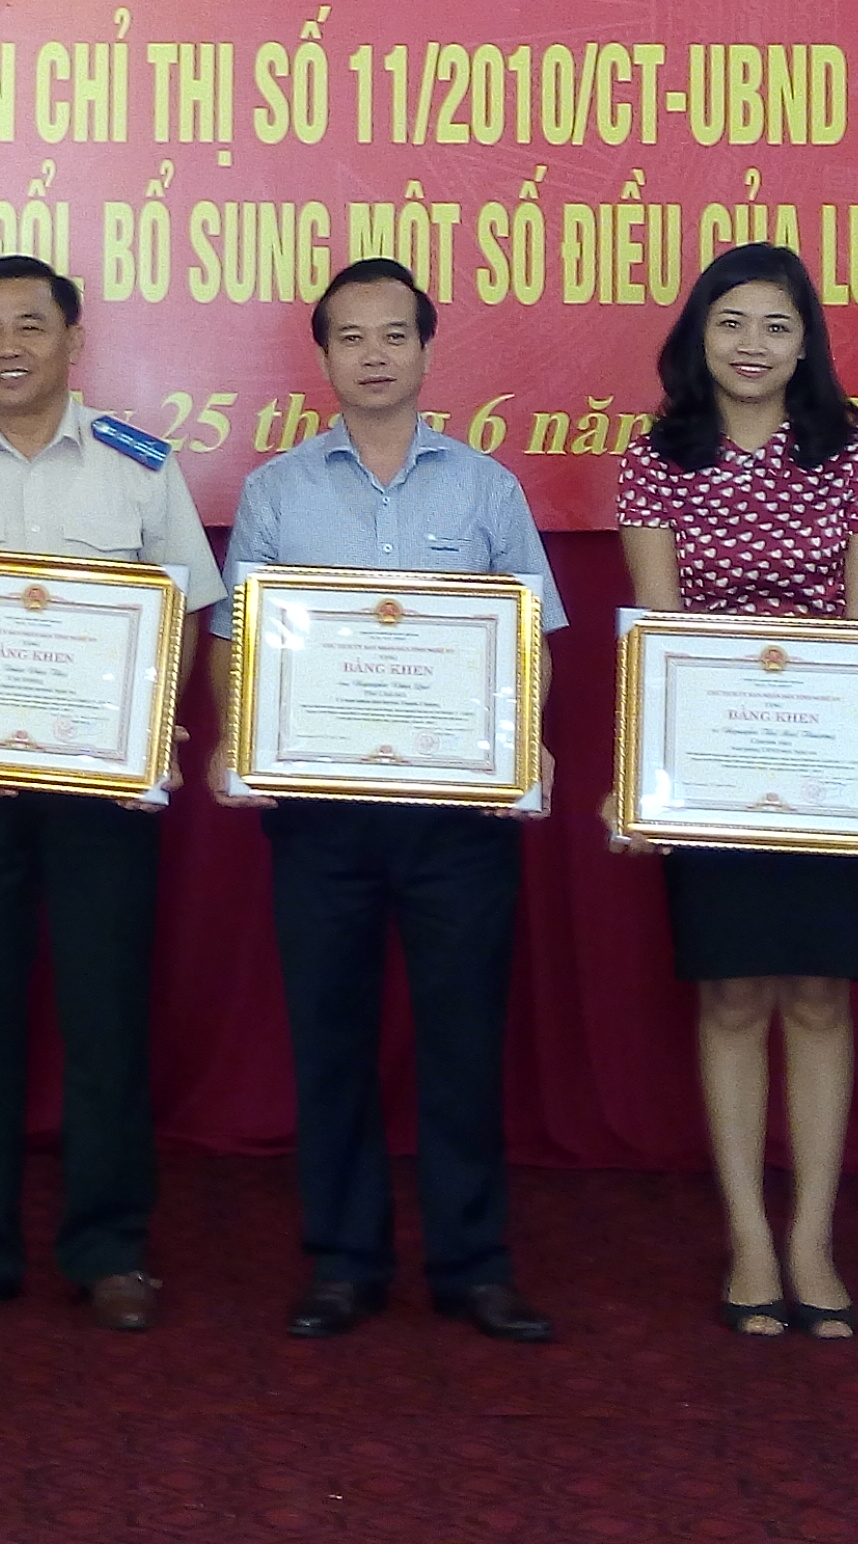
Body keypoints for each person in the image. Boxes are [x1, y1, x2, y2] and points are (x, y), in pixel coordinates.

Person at [0, 255, 219, 1333]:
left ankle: (109, 1247)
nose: (8, 346)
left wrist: (144, 739)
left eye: (30, 325)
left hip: (101, 799)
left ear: (73, 340)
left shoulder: (138, 468)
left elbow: (183, 613)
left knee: (106, 1018)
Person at [216, 257, 566, 1344]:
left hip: (458, 823)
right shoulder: (276, 491)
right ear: (322, 356)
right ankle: (343, 1260)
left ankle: (473, 1265)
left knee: (464, 1043)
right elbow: (234, 641)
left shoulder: (485, 488)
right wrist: (242, 742)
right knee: (330, 1040)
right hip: (320, 820)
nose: (373, 355)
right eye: (350, 337)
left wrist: (521, 745)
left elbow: (532, 639)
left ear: (425, 351)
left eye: (394, 336)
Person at [608, 243, 858, 1342]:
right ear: (698, 335)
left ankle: (812, 1238)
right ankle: (747, 1237)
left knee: (818, 996)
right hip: (710, 767)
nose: (751, 344)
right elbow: (653, 628)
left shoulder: (850, 451)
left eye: (776, 325)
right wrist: (639, 782)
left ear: (804, 343)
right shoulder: (656, 457)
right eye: (730, 321)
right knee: (732, 997)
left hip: (829, 765)